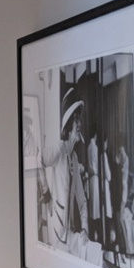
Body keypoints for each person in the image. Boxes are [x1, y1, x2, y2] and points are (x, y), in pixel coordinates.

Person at [41, 89, 90, 258]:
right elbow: (37, 158)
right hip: (56, 232)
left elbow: (82, 201)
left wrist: (84, 228)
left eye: (79, 119)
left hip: (69, 233)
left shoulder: (74, 158)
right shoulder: (59, 149)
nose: (80, 124)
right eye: (76, 120)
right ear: (69, 125)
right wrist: (45, 191)